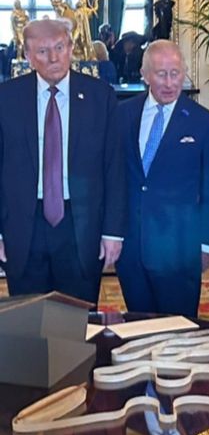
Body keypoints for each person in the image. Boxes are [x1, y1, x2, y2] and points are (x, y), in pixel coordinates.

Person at [0, 18, 125, 303]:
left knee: (76, 320)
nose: (54, 57)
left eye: (59, 47)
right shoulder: (6, 98)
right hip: (23, 228)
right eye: (42, 51)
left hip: (81, 227)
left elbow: (114, 168)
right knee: (28, 322)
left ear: (71, 48)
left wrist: (113, 232)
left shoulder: (100, 96)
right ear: (28, 57)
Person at [116, 39, 209, 317]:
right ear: (145, 75)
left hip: (179, 248)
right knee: (138, 328)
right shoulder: (121, 114)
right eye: (161, 74)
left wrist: (206, 244)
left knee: (178, 331)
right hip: (132, 248)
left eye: (175, 73)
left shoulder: (204, 122)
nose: (169, 82)